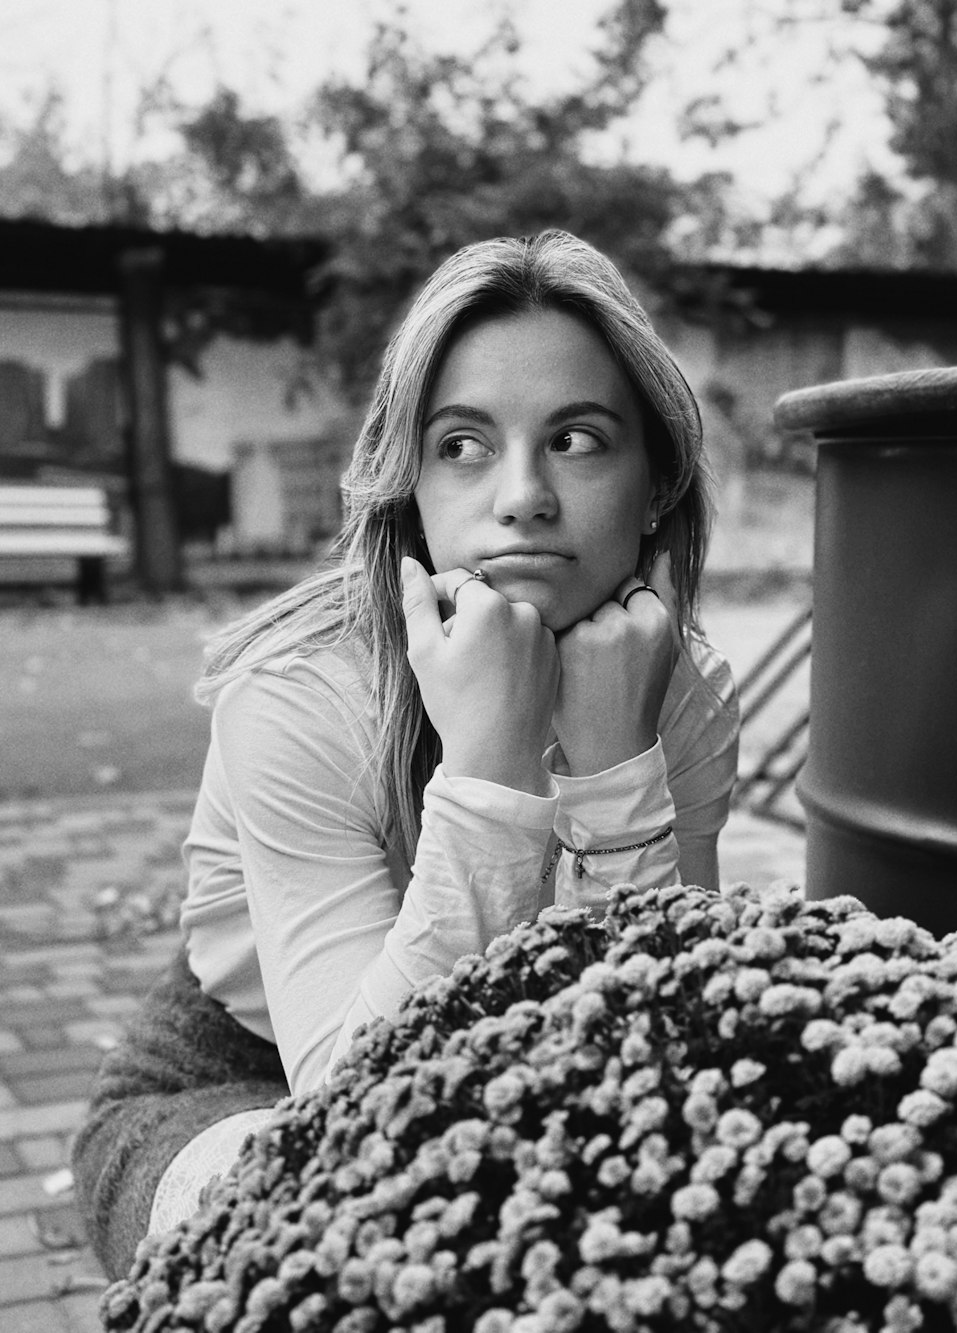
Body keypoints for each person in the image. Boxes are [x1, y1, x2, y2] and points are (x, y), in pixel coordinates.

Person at [72, 229, 739, 1278]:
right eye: (462, 444)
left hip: (531, 1062)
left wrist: (616, 766)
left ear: (655, 480)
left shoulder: (680, 690)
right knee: (348, 1249)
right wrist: (487, 764)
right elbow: (354, 1122)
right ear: (409, 484)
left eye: (577, 438)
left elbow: (663, 1049)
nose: (520, 494)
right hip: (250, 1080)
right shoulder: (301, 691)